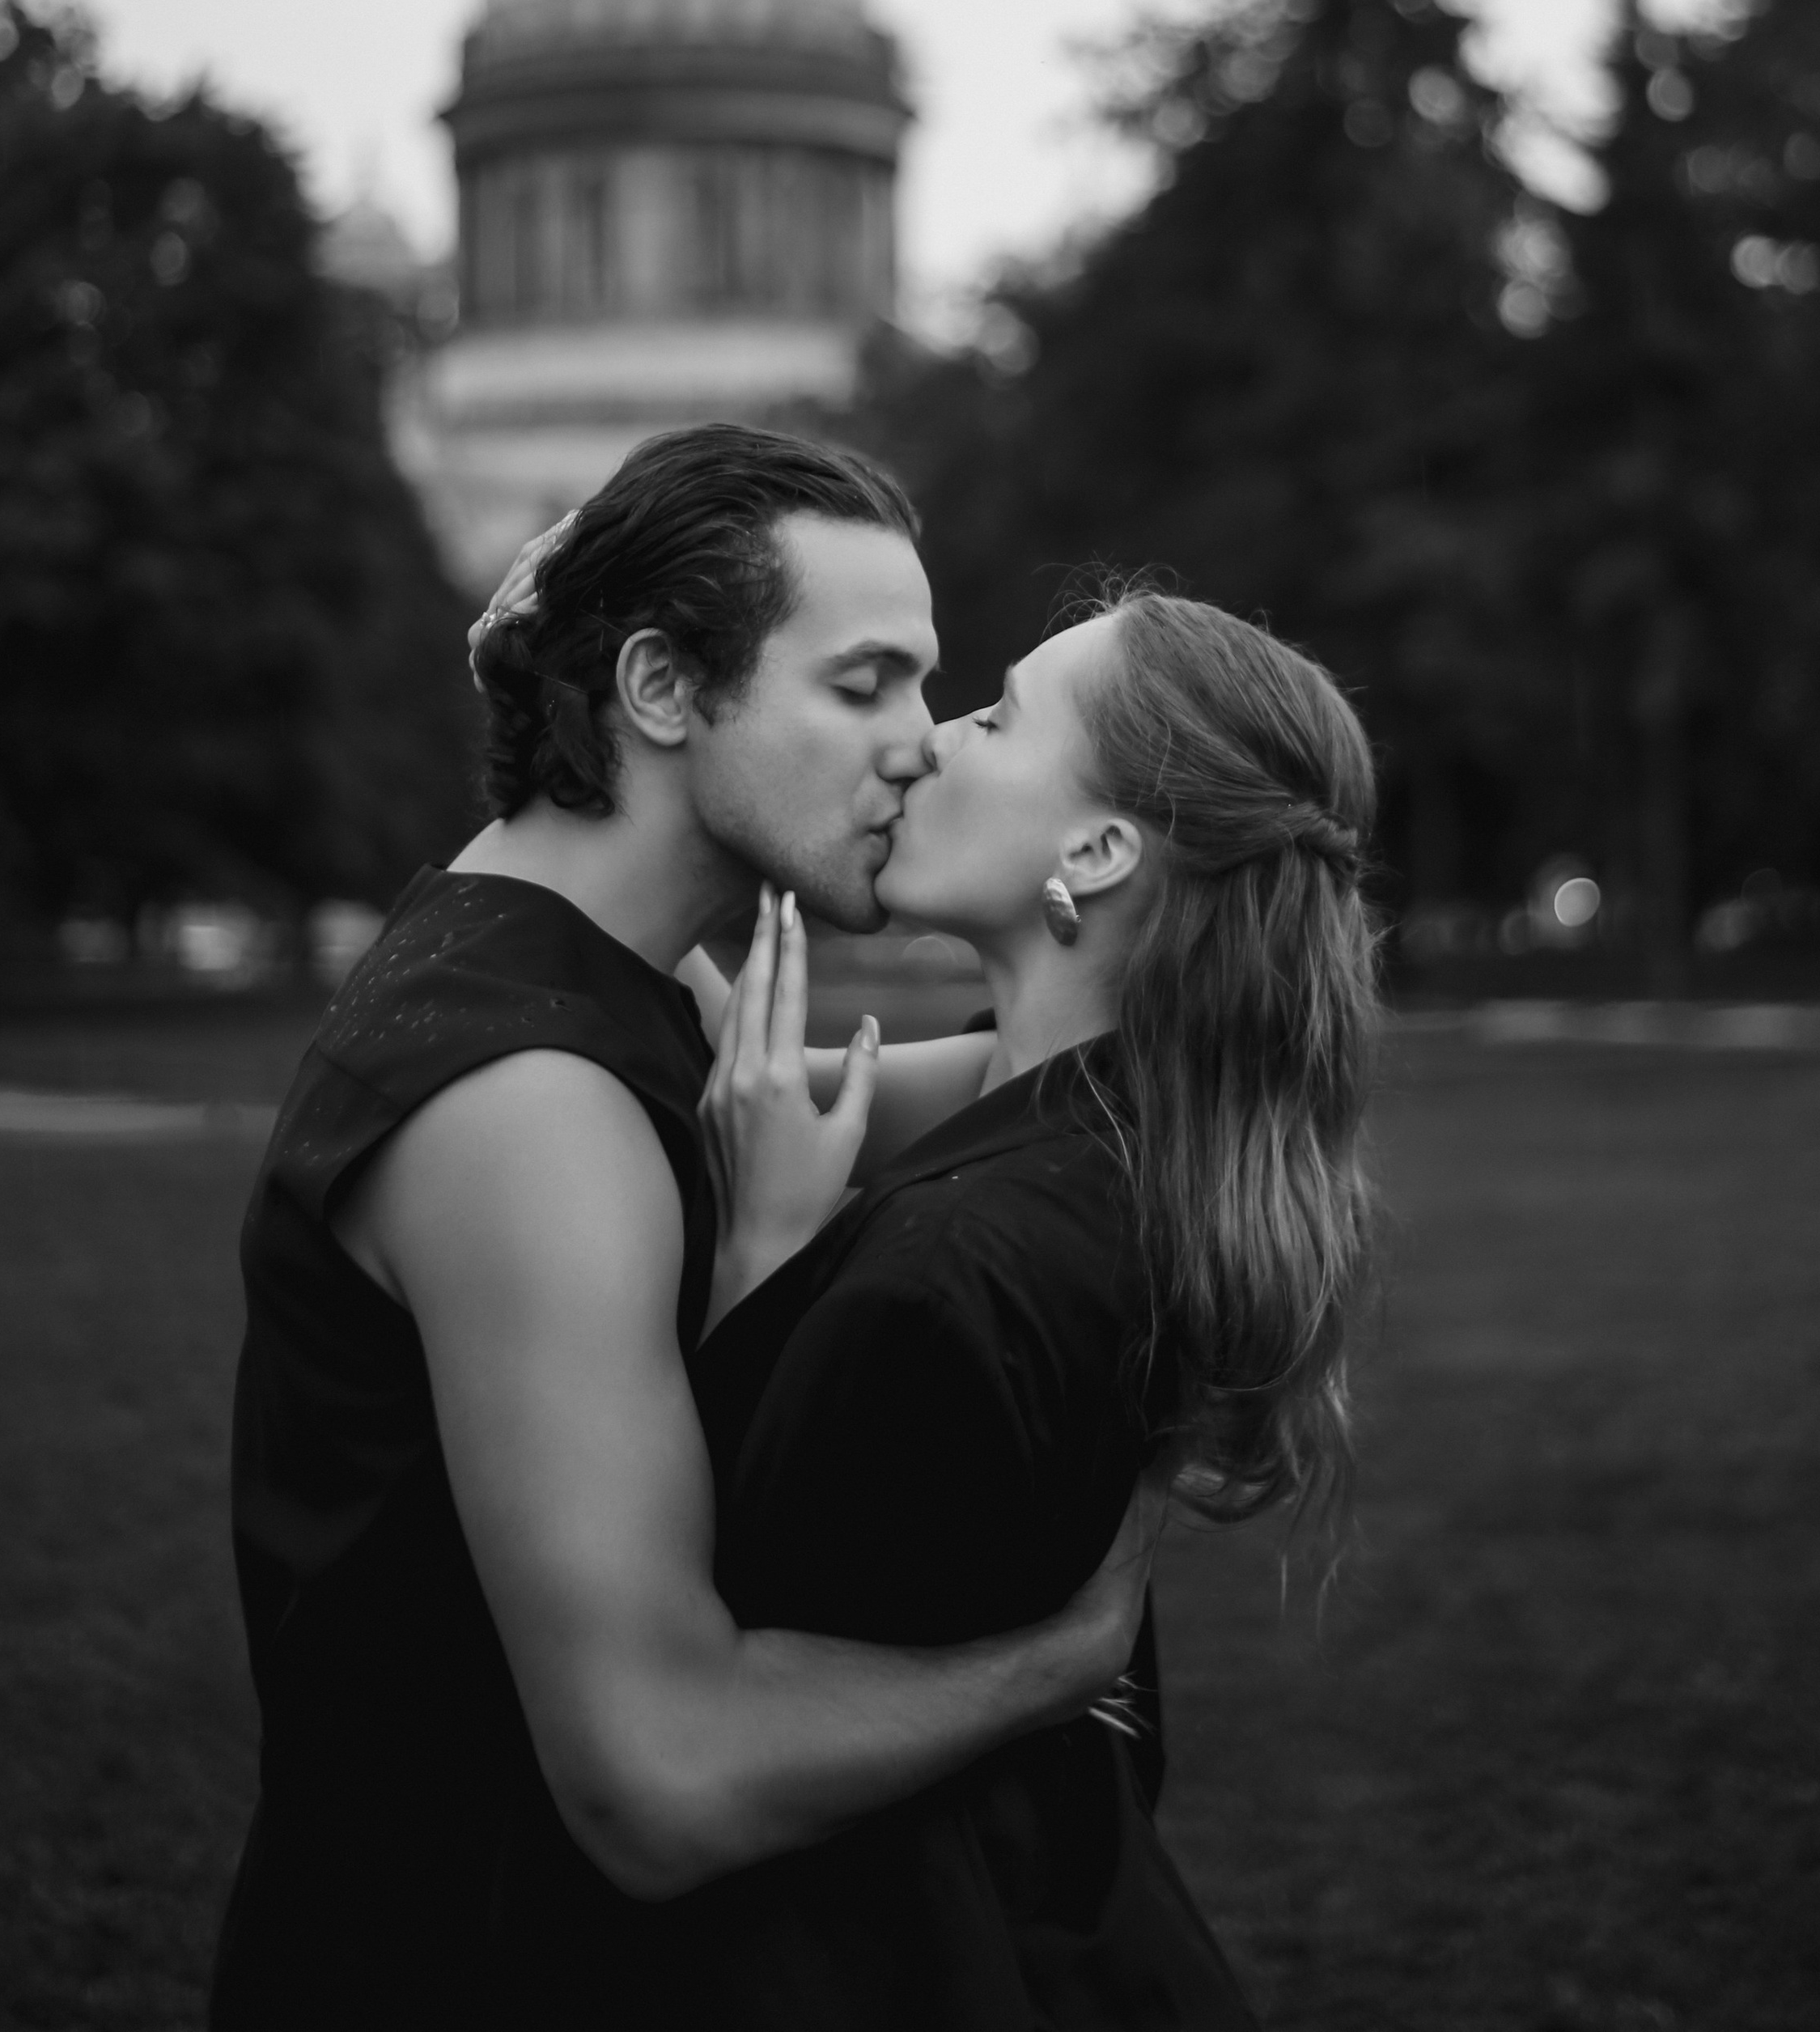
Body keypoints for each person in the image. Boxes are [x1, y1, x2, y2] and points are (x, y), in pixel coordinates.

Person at [210, 425, 1159, 2031]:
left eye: (928, 690)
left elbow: (1049, 1083)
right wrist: (1059, 1658)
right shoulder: (521, 1109)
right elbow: (655, 1779)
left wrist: (1158, 907)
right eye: (862, 685)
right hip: (453, 1967)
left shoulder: (635, 978)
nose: (921, 745)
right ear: (660, 692)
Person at [669, 581, 1381, 2028]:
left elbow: (715, 1691)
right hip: (1076, 1929)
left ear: (1100, 847)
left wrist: (768, 1264)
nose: (929, 742)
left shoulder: (949, 1274)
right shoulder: (1135, 1125)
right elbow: (746, 1061)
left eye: (992, 717)